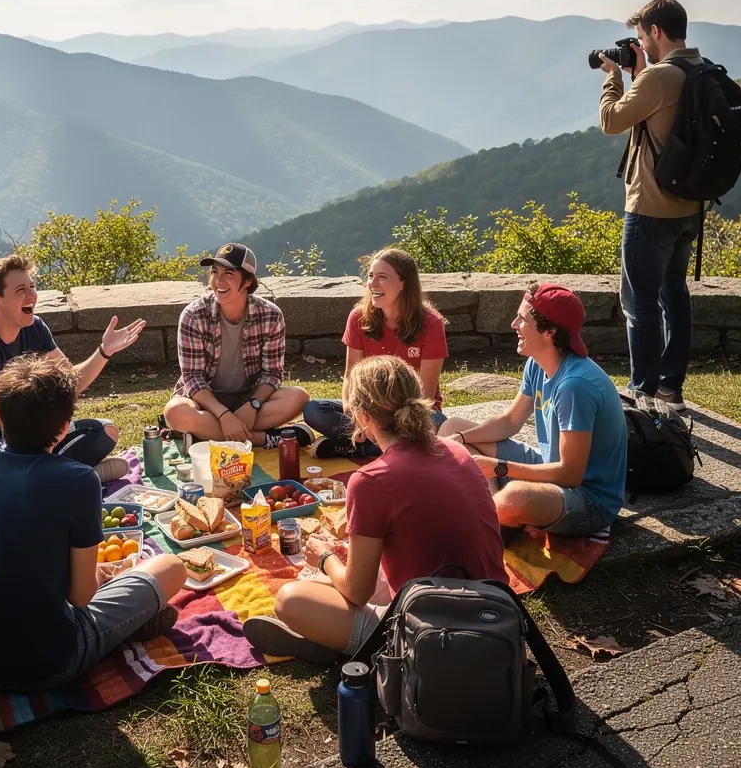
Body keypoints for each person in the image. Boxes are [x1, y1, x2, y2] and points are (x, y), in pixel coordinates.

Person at [0, 351, 187, 691]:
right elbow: (81, 597)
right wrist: (102, 573)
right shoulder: (79, 481)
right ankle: (127, 624)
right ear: (65, 427)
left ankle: (128, 621)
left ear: (2, 416)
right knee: (171, 567)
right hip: (44, 665)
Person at [242, 355, 505, 662]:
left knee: (292, 598)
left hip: (433, 632)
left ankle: (355, 649)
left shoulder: (371, 480)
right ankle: (335, 638)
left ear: (363, 417)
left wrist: (324, 557)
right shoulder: (456, 449)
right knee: (332, 579)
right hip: (494, 610)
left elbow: (357, 591)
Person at [439, 283, 627, 539]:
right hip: (547, 468)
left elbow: (570, 475)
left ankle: (491, 515)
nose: (514, 325)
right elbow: (510, 421)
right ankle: (496, 512)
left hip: (588, 500)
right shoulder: (537, 364)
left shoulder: (575, 387)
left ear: (549, 332)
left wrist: (499, 467)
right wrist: (460, 439)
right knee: (452, 427)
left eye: (522, 319)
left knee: (517, 497)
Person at [0, 254, 145, 479]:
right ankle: (69, 474)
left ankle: (52, 476)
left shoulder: (34, 328)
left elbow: (70, 381)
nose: (32, 295)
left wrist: (105, 351)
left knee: (104, 431)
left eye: (32, 286)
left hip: (29, 434)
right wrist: (47, 426)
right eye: (20, 290)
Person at [597, 0, 704, 412]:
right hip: (688, 208)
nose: (641, 41)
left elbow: (612, 121)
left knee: (638, 301)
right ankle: (670, 390)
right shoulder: (697, 70)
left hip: (650, 209)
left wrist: (614, 77)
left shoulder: (658, 78)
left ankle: (643, 391)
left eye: (642, 35)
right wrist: (642, 73)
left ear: (655, 32)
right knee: (674, 295)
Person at [304, 248, 449, 459]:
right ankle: (385, 447)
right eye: (371, 276)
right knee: (314, 410)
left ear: (404, 283)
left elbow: (424, 394)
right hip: (368, 411)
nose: (372, 283)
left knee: (437, 424)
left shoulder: (431, 323)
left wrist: (383, 423)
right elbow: (349, 377)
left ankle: (353, 447)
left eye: (382, 277)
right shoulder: (358, 318)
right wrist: (356, 417)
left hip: (409, 412)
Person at [163, 243, 311, 448]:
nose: (218, 280)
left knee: (298, 397)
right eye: (215, 272)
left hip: (249, 399)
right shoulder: (193, 315)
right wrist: (223, 415)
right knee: (175, 413)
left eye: (228, 273)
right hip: (207, 401)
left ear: (248, 281)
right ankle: (262, 439)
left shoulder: (270, 314)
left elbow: (272, 373)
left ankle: (204, 435)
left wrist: (253, 404)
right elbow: (192, 378)